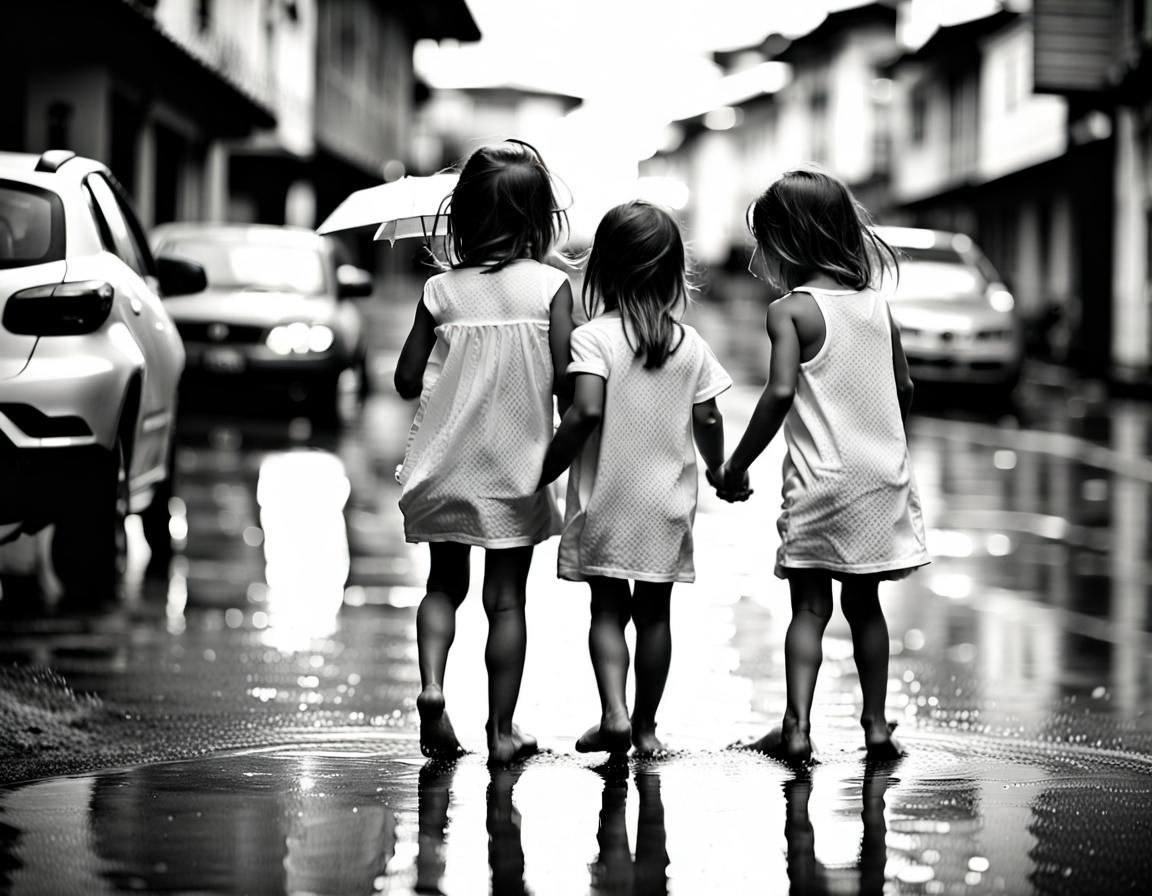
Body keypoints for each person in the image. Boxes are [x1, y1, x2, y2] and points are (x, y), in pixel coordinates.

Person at [714, 166, 930, 763]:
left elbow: (779, 393)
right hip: (879, 480)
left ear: (790, 240)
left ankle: (797, 726)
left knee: (810, 608)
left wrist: (736, 463)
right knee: (866, 608)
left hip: (820, 484)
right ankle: (878, 727)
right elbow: (904, 389)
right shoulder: (875, 307)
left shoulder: (792, 312)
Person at [394, 140, 574, 764]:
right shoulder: (551, 289)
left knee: (443, 586)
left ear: (462, 216)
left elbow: (405, 378)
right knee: (506, 600)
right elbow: (570, 380)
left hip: (443, 467)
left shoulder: (440, 292)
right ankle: (502, 730)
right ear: (538, 220)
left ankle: (432, 687)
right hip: (515, 472)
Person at [537, 200, 733, 755]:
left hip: (607, 500)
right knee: (655, 616)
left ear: (602, 269)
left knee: (606, 610)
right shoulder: (688, 344)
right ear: (673, 273)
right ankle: (646, 728)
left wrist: (546, 467)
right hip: (667, 507)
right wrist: (718, 467)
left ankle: (614, 714)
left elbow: (585, 411)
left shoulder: (593, 339)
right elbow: (710, 416)